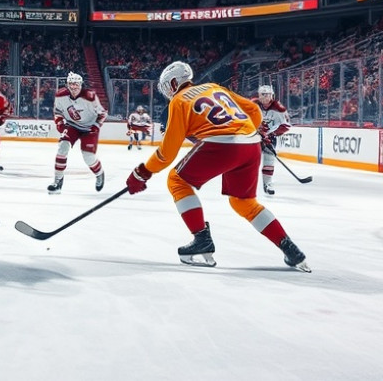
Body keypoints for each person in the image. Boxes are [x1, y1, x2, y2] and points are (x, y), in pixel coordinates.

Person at [124, 61, 309, 272]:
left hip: (222, 144)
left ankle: (201, 237)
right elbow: (252, 110)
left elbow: (167, 153)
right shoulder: (215, 87)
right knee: (243, 203)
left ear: (174, 83)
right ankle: (289, 248)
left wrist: (142, 173)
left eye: (167, 86)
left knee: (176, 180)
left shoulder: (178, 101)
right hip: (250, 143)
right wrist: (257, 130)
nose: (167, 92)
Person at [47, 72, 106, 194]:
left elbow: (102, 114)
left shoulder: (90, 96)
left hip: (89, 128)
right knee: (62, 148)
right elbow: (57, 112)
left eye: (76, 84)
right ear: (67, 84)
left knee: (88, 157)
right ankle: (58, 181)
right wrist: (59, 122)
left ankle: (100, 174)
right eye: (71, 84)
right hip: (72, 126)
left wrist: (95, 126)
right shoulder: (60, 95)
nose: (74, 87)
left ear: (81, 85)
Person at [253, 84, 291, 195]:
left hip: (270, 138)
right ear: (259, 95)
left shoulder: (279, 108)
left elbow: (286, 125)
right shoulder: (253, 105)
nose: (266, 97)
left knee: (269, 160)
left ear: (272, 95)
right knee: (250, 160)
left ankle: (268, 184)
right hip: (254, 137)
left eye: (268, 94)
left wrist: (271, 134)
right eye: (263, 95)